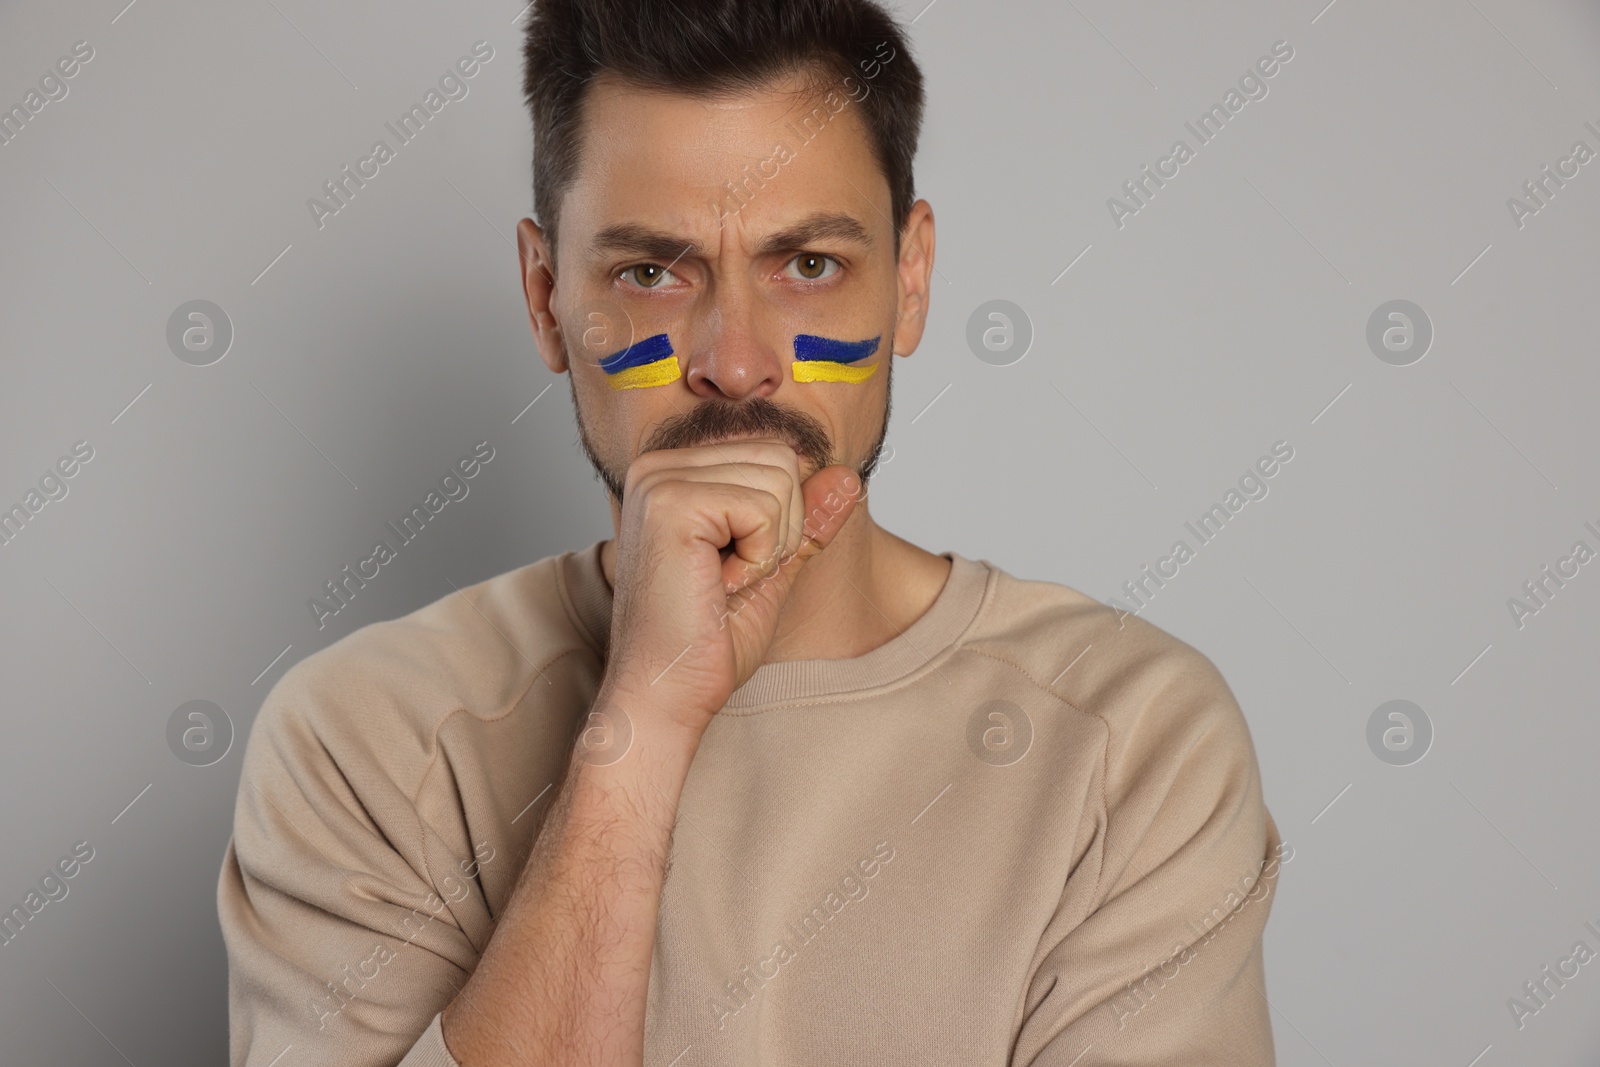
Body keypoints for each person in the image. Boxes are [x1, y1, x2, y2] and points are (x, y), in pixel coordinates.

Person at [217, 0, 1283, 1063]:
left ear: (909, 278)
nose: (733, 362)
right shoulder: (362, 743)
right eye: (650, 272)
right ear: (546, 300)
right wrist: (642, 720)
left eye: (808, 263)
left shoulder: (1133, 741)